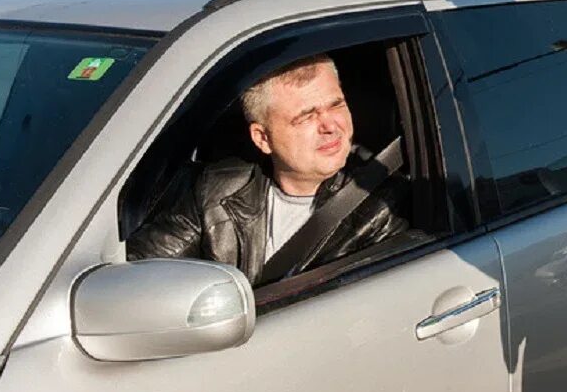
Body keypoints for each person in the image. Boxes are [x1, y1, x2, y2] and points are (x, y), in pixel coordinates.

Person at [128, 55, 409, 285]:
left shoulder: (383, 206)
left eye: (336, 105)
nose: (330, 126)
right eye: (306, 117)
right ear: (262, 138)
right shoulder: (216, 191)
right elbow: (138, 273)